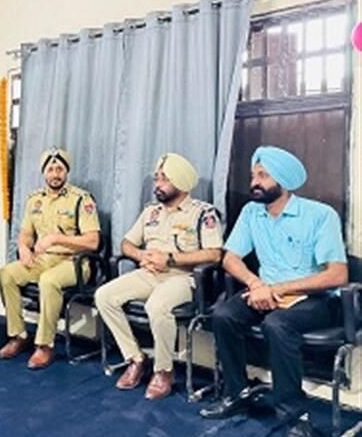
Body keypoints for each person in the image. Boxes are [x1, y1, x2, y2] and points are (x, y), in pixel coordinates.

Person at [200, 146, 348, 437]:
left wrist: (277, 288)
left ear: (283, 180)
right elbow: (230, 258)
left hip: (313, 299)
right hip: (264, 290)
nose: (254, 182)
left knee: (277, 324)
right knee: (223, 315)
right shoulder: (251, 212)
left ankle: (294, 413)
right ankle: (237, 394)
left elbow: (337, 274)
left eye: (263, 176)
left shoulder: (320, 215)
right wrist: (256, 284)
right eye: (253, 175)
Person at [94, 153, 223, 399]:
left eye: (164, 179)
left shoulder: (202, 214)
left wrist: (171, 259)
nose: (158, 185)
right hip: (149, 273)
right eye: (157, 178)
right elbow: (126, 244)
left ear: (180, 182)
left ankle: (164, 370)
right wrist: (140, 255)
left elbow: (215, 254)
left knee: (156, 306)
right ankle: (135, 358)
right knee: (104, 296)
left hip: (182, 278)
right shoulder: (151, 212)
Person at [0, 148, 101, 369]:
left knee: (49, 280)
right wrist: (24, 248)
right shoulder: (35, 200)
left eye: (60, 169)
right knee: (6, 274)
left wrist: (56, 238)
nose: (55, 174)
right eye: (51, 169)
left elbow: (93, 242)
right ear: (44, 172)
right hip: (43, 259)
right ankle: (18, 335)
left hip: (74, 262)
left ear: (67, 172)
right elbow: (26, 233)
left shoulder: (81, 199)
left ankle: (45, 345)